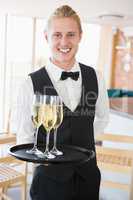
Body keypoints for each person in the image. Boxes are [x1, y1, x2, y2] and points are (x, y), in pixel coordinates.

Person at [15, 5, 109, 200]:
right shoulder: (30, 83)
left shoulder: (96, 77)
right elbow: (25, 135)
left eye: (71, 34)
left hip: (88, 177)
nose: (64, 42)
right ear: (46, 37)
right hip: (49, 183)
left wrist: (82, 142)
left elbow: (102, 119)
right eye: (57, 35)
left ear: (80, 36)